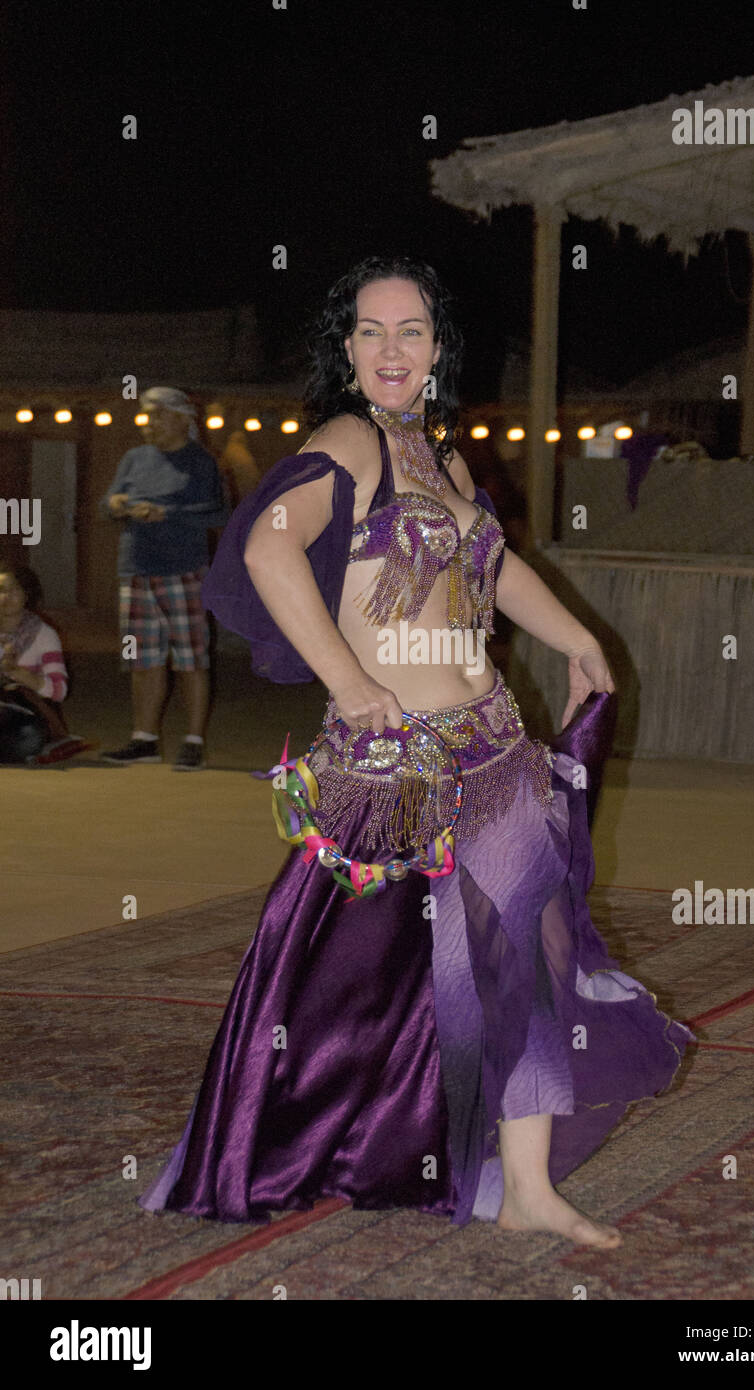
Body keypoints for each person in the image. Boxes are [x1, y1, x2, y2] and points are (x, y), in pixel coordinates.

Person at [139, 257, 695, 1245]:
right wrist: (350, 685)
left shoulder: (446, 460)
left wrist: (575, 639)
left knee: (531, 945)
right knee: (341, 974)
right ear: (345, 349)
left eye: (411, 331)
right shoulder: (348, 442)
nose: (392, 350)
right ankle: (309, 1138)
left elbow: (496, 567)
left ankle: (524, 1183)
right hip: (390, 761)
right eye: (371, 331)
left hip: (492, 745)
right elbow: (267, 547)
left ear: (438, 347)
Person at [101, 387, 229, 771]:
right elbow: (106, 504)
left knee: (190, 659)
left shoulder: (201, 462)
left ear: (181, 418)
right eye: (146, 414)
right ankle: (145, 739)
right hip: (136, 570)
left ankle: (192, 740)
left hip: (183, 571)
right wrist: (118, 504)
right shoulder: (133, 458)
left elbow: (217, 514)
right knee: (141, 659)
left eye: (156, 414)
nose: (149, 422)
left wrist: (165, 513)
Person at [0, 563, 89, 763]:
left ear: (27, 594)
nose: (6, 598)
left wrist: (17, 672)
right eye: (1, 591)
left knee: (28, 737)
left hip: (24, 713)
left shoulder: (43, 634)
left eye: (13, 590)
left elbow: (59, 691)